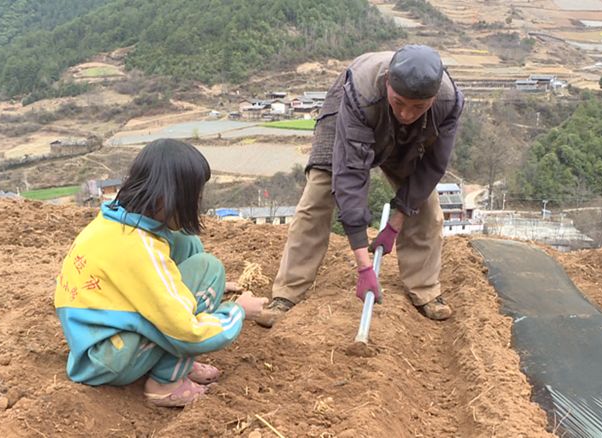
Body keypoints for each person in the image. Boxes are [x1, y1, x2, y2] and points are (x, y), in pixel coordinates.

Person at [257, 45, 465, 328]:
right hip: (351, 112)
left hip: (417, 128)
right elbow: (350, 174)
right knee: (317, 198)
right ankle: (288, 292)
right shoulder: (362, 92)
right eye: (400, 102)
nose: (406, 113)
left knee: (426, 207)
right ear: (388, 81)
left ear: (433, 97)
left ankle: (425, 289)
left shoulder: (447, 101)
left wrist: (396, 222)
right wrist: (364, 265)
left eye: (418, 106)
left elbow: (432, 166)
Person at [54, 138, 267, 407]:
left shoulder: (115, 221)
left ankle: (173, 361)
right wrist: (238, 311)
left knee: (186, 242)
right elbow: (187, 331)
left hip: (94, 343)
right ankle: (166, 384)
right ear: (168, 197)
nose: (198, 203)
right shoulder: (140, 248)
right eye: (195, 196)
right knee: (209, 270)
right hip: (108, 359)